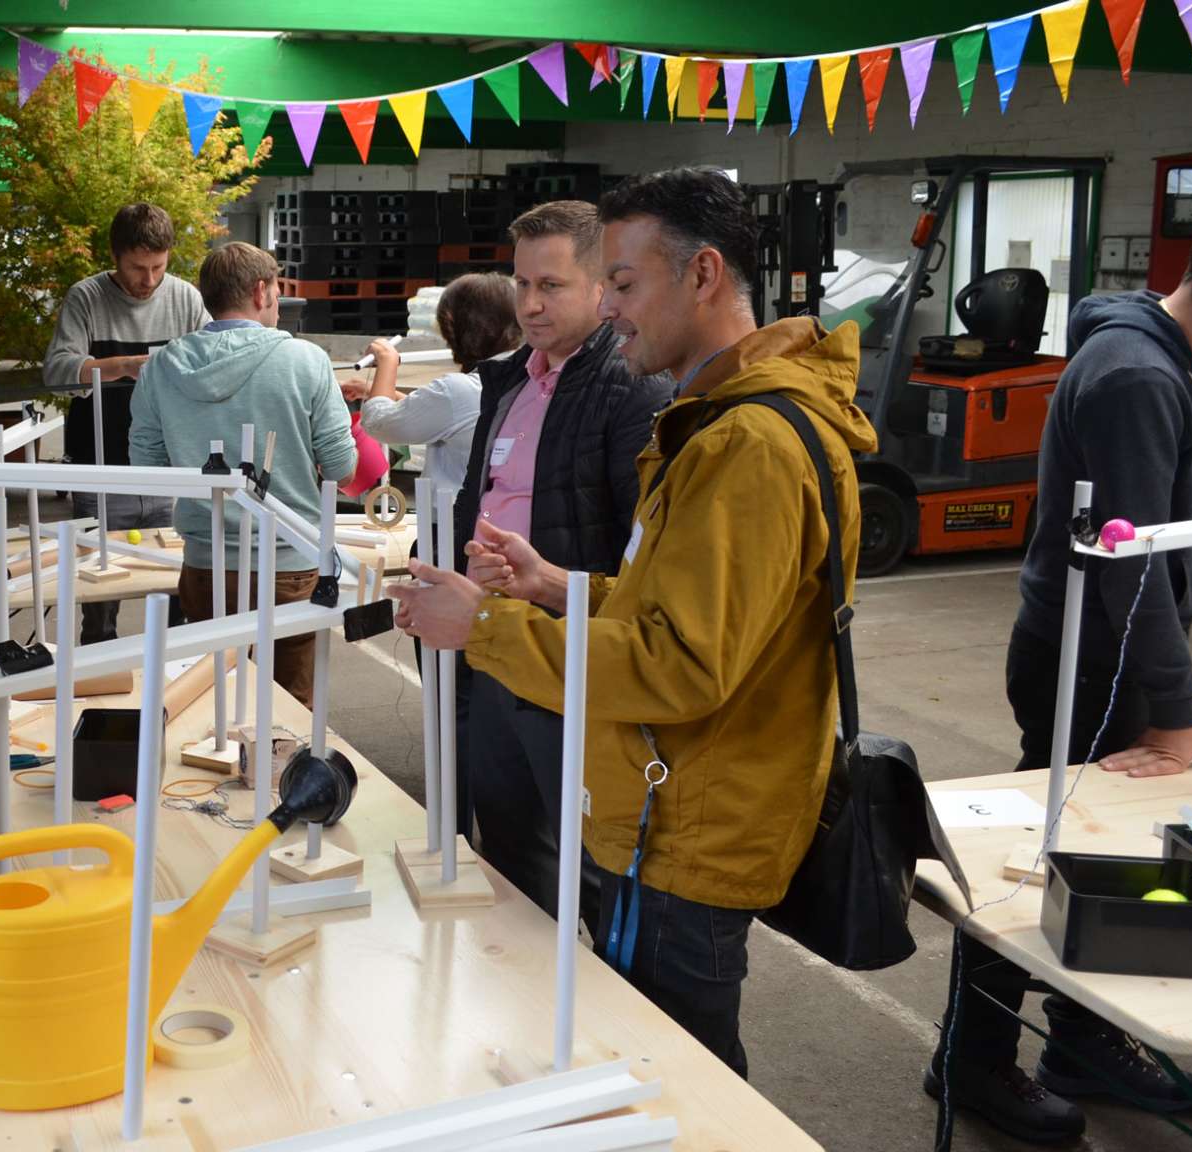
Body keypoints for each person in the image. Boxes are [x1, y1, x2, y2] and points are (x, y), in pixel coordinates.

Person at [390, 167, 877, 1078]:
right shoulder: (719, 422)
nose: (609, 309)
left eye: (621, 282)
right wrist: (556, 585)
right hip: (671, 809)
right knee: (653, 1053)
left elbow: (678, 664)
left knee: (677, 1077)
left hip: (687, 831)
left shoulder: (747, 444)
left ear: (703, 275)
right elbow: (677, 608)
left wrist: (484, 628)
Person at [926, 201, 1192, 1144]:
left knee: (1113, 858)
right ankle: (974, 1058)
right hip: (1093, 659)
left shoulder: (1166, 357)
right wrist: (1175, 711)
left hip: (1102, 647)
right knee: (1039, 866)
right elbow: (1125, 563)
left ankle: (1083, 1042)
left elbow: (1145, 519)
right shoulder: (1137, 373)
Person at [444, 204, 672, 921]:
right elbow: (480, 494)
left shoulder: (632, 388)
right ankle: (527, 981)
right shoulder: (508, 382)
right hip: (495, 649)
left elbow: (643, 549)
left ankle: (598, 989)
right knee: (511, 850)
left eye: (552, 285)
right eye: (521, 284)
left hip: (572, 663)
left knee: (594, 865)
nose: (531, 304)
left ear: (602, 287)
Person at [128, 241, 356, 707]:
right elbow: (341, 468)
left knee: (213, 705)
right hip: (290, 563)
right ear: (260, 291)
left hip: (206, 564)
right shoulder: (306, 360)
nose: (278, 303)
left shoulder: (162, 366)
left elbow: (147, 472)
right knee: (288, 711)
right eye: (277, 292)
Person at [44, 202, 212, 643]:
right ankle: (98, 675)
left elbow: (217, 359)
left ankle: (179, 668)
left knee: (185, 590)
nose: (149, 280)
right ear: (114, 256)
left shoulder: (186, 298)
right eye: (138, 268)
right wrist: (123, 366)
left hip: (171, 470)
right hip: (102, 468)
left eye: (159, 267)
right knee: (99, 596)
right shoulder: (86, 297)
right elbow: (57, 372)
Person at [342, 272, 518, 495]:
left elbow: (379, 423)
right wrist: (380, 392)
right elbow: (448, 414)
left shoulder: (459, 391)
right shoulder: (522, 377)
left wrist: (387, 362)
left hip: (455, 513)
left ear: (452, 324)